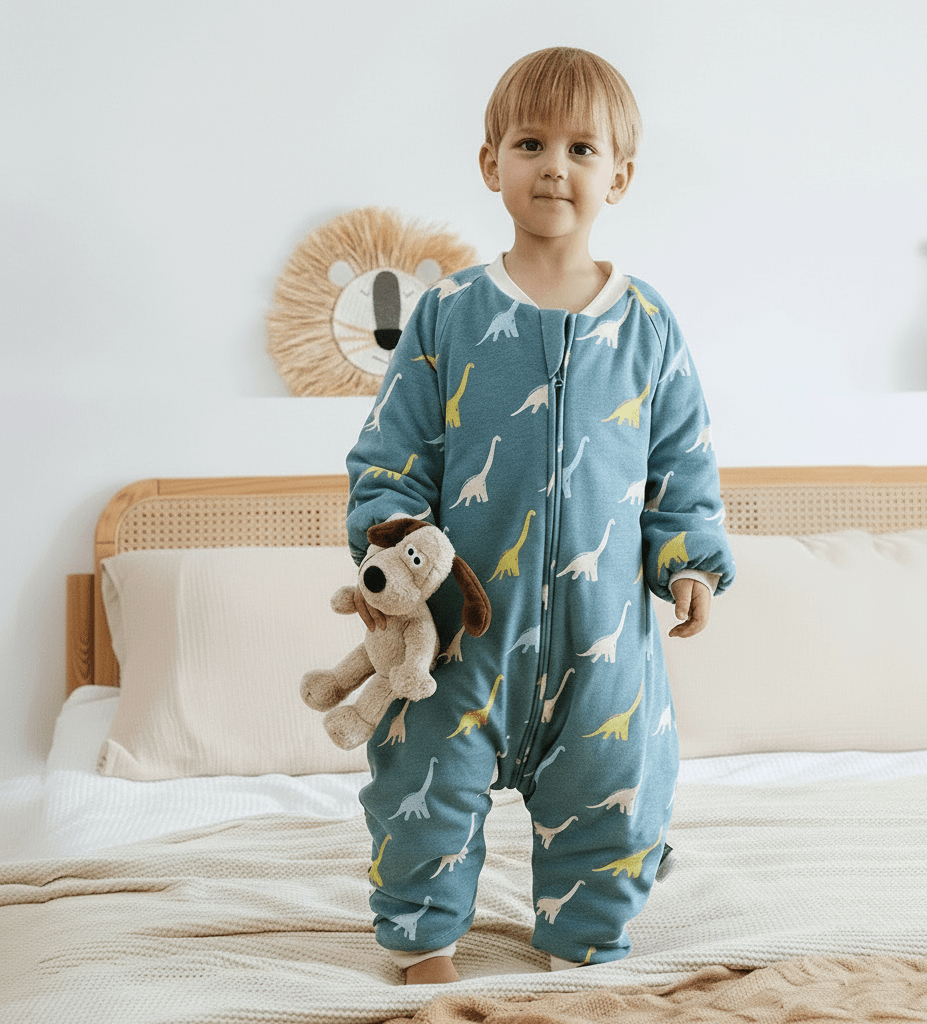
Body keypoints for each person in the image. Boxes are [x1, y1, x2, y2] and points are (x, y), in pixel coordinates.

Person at [345, 46, 735, 986]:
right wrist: (392, 546)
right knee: (420, 789)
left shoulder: (648, 327)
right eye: (530, 144)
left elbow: (681, 464)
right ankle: (426, 953)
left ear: (619, 176)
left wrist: (689, 558)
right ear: (492, 164)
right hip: (459, 637)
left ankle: (581, 951)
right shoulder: (448, 314)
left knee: (618, 794)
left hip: (606, 645)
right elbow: (391, 456)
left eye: (581, 148)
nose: (555, 166)